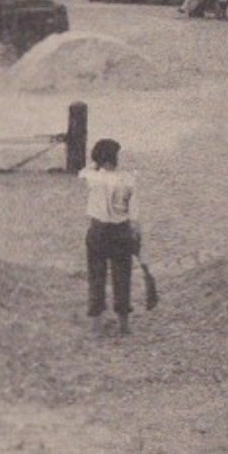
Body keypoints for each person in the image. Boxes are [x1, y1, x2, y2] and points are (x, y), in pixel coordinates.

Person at [79, 138, 139, 334]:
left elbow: (83, 171)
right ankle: (124, 324)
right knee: (122, 276)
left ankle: (96, 324)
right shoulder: (129, 179)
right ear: (116, 158)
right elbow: (134, 213)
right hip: (121, 230)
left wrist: (95, 164)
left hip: (98, 230)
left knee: (96, 276)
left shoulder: (92, 177)